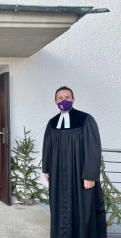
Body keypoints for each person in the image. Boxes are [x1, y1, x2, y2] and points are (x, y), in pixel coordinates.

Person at [42, 86, 107, 238]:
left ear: (73, 100)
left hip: (80, 174)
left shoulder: (85, 120)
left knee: (83, 208)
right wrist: (46, 168)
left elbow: (93, 148)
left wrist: (90, 175)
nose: (63, 100)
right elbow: (47, 146)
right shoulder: (52, 123)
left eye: (67, 97)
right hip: (58, 174)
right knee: (60, 207)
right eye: (60, 98)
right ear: (55, 101)